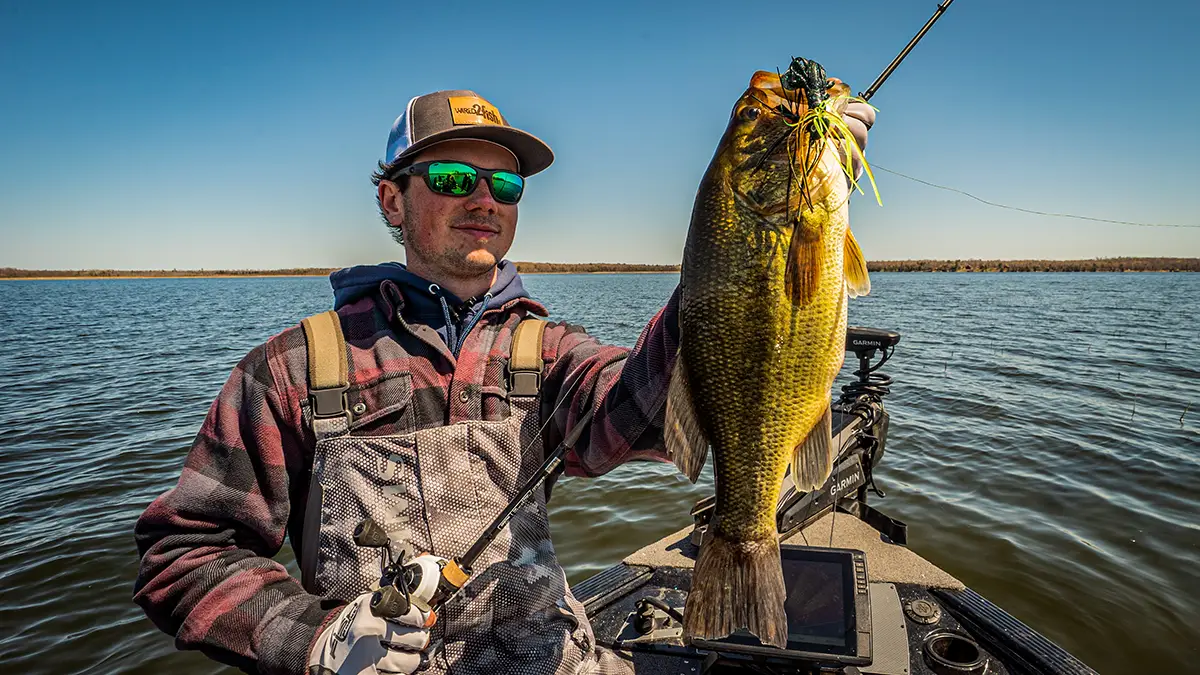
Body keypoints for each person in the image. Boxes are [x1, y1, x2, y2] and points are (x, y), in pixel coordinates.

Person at [133, 87, 873, 675]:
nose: (484, 199)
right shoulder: (292, 369)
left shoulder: (542, 351)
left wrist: (748, 256)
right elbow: (184, 552)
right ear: (392, 201)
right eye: (454, 178)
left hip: (553, 658)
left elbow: (636, 411)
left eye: (505, 183)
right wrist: (314, 640)